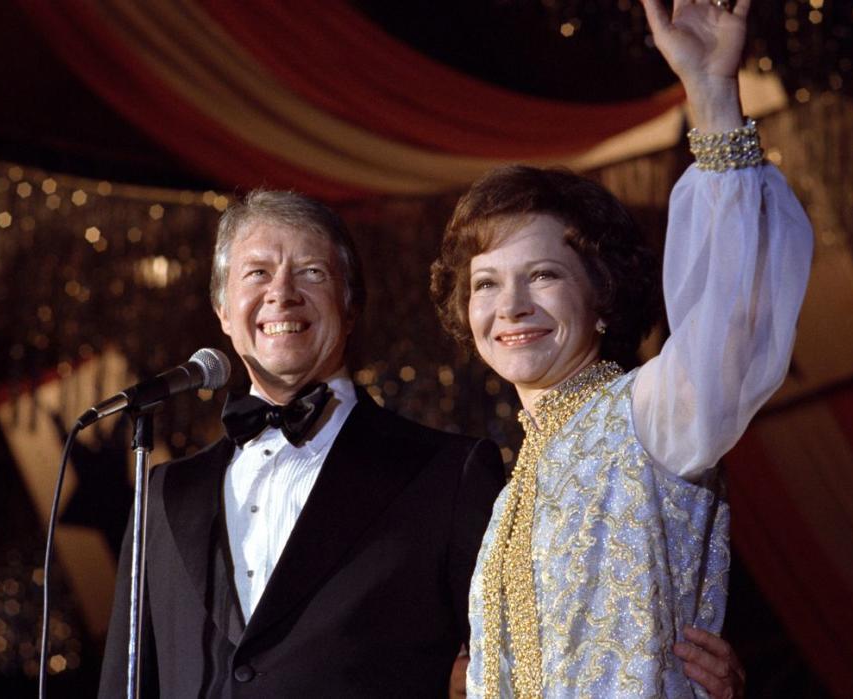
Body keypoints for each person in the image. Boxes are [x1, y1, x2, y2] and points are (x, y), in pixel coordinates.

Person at [429, 0, 814, 696]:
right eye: (486, 283)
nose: (510, 306)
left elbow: (732, 312)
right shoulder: (510, 496)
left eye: (542, 274)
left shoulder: (647, 415)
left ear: (601, 294)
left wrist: (712, 94)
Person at [98, 190, 505, 696]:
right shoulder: (164, 494)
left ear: (350, 305)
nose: (282, 293)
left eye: (312, 272)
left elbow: (511, 668)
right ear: (223, 310)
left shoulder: (449, 474)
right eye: (257, 273)